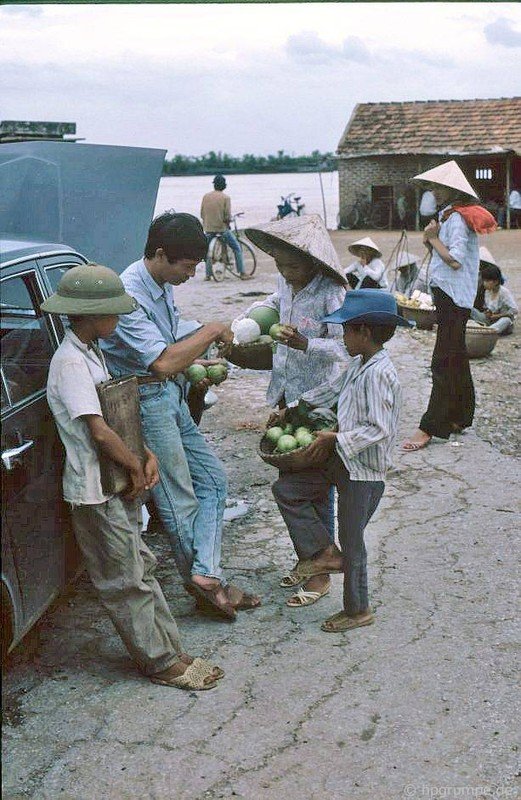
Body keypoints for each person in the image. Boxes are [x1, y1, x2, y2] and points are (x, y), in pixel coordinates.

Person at [41, 264, 223, 690]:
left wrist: (145, 452)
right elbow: (99, 430)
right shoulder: (69, 363)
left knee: (141, 568)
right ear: (87, 316)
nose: (118, 321)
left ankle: (170, 649)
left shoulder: (91, 352)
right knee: (124, 580)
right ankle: (159, 661)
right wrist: (134, 464)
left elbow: (116, 415)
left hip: (113, 483)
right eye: (112, 314)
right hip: (94, 491)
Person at [101, 212, 260, 620]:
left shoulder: (159, 283)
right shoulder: (129, 293)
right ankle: (207, 586)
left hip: (168, 396)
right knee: (177, 500)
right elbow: (161, 361)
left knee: (213, 481)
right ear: (159, 255)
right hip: (146, 400)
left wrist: (210, 339)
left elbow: (173, 331)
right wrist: (209, 331)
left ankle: (206, 575)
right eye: (187, 267)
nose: (191, 275)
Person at [272, 290, 413, 633]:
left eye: (346, 331)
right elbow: (330, 392)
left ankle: (358, 609)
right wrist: (292, 409)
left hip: (364, 471)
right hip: (342, 461)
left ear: (364, 332)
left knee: (353, 543)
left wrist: (336, 438)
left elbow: (379, 429)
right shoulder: (358, 364)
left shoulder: (380, 373)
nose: (342, 338)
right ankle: (322, 551)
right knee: (288, 489)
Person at [244, 214, 350, 606]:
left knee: (310, 490)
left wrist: (308, 344)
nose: (285, 273)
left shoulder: (332, 293)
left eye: (292, 266)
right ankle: (312, 558)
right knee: (303, 484)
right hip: (290, 397)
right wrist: (251, 319)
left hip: (321, 401)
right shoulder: (284, 283)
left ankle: (320, 570)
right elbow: (273, 303)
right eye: (280, 265)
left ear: (313, 262)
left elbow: (345, 350)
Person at [402, 160, 497, 452]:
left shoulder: (456, 219)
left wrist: (434, 239)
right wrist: (431, 240)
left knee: (441, 360)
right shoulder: (448, 217)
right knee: (456, 356)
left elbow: (454, 259)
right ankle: (459, 417)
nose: (433, 191)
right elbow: (445, 254)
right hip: (449, 294)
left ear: (449, 190)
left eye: (436, 187)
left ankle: (431, 426)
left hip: (454, 297)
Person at [200, 174, 250, 280]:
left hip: (208, 228)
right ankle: (242, 273)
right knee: (236, 248)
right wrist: (228, 224)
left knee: (207, 250)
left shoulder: (206, 196)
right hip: (221, 229)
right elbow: (227, 216)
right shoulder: (225, 198)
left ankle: (208, 275)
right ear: (224, 185)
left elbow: (202, 214)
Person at [470, 262, 518, 335]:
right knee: (470, 309)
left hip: (501, 320)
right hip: (490, 320)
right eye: (484, 281)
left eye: (487, 281)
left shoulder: (504, 292)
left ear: (495, 281)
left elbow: (514, 311)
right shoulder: (487, 292)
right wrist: (487, 312)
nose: (484, 283)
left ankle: (488, 331)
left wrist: (497, 316)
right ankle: (488, 330)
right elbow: (488, 308)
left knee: (506, 320)